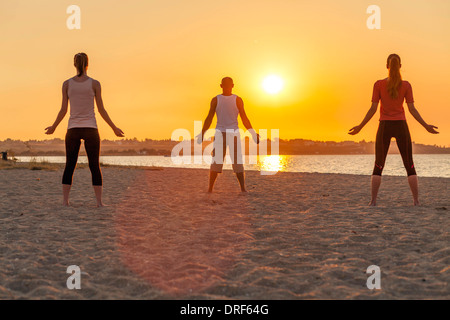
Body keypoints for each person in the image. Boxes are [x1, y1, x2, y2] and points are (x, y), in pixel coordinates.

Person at [349, 53, 439, 206]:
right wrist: (426, 126)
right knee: (409, 164)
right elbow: (412, 110)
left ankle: (373, 201)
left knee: (378, 164)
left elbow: (372, 109)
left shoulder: (378, 84)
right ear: (401, 66)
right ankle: (416, 201)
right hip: (401, 126)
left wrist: (360, 126)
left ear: (387, 66)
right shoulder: (406, 85)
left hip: (384, 126)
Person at [45, 53, 124, 207]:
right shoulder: (95, 84)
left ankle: (65, 201)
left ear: (74, 64)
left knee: (70, 165)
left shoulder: (66, 84)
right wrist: (114, 128)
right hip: (91, 129)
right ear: (88, 64)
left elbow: (63, 110)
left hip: (73, 129)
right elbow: (101, 110)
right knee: (94, 166)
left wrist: (54, 127)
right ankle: (99, 203)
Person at [198, 77, 259, 193]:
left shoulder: (237, 100)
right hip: (222, 133)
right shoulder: (216, 100)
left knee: (236, 161)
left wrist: (252, 133)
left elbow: (244, 117)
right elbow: (209, 118)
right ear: (223, 86)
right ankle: (211, 189)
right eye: (225, 85)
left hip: (231, 134)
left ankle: (242, 189)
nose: (226, 87)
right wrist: (202, 133)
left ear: (232, 86)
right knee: (218, 161)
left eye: (227, 85)